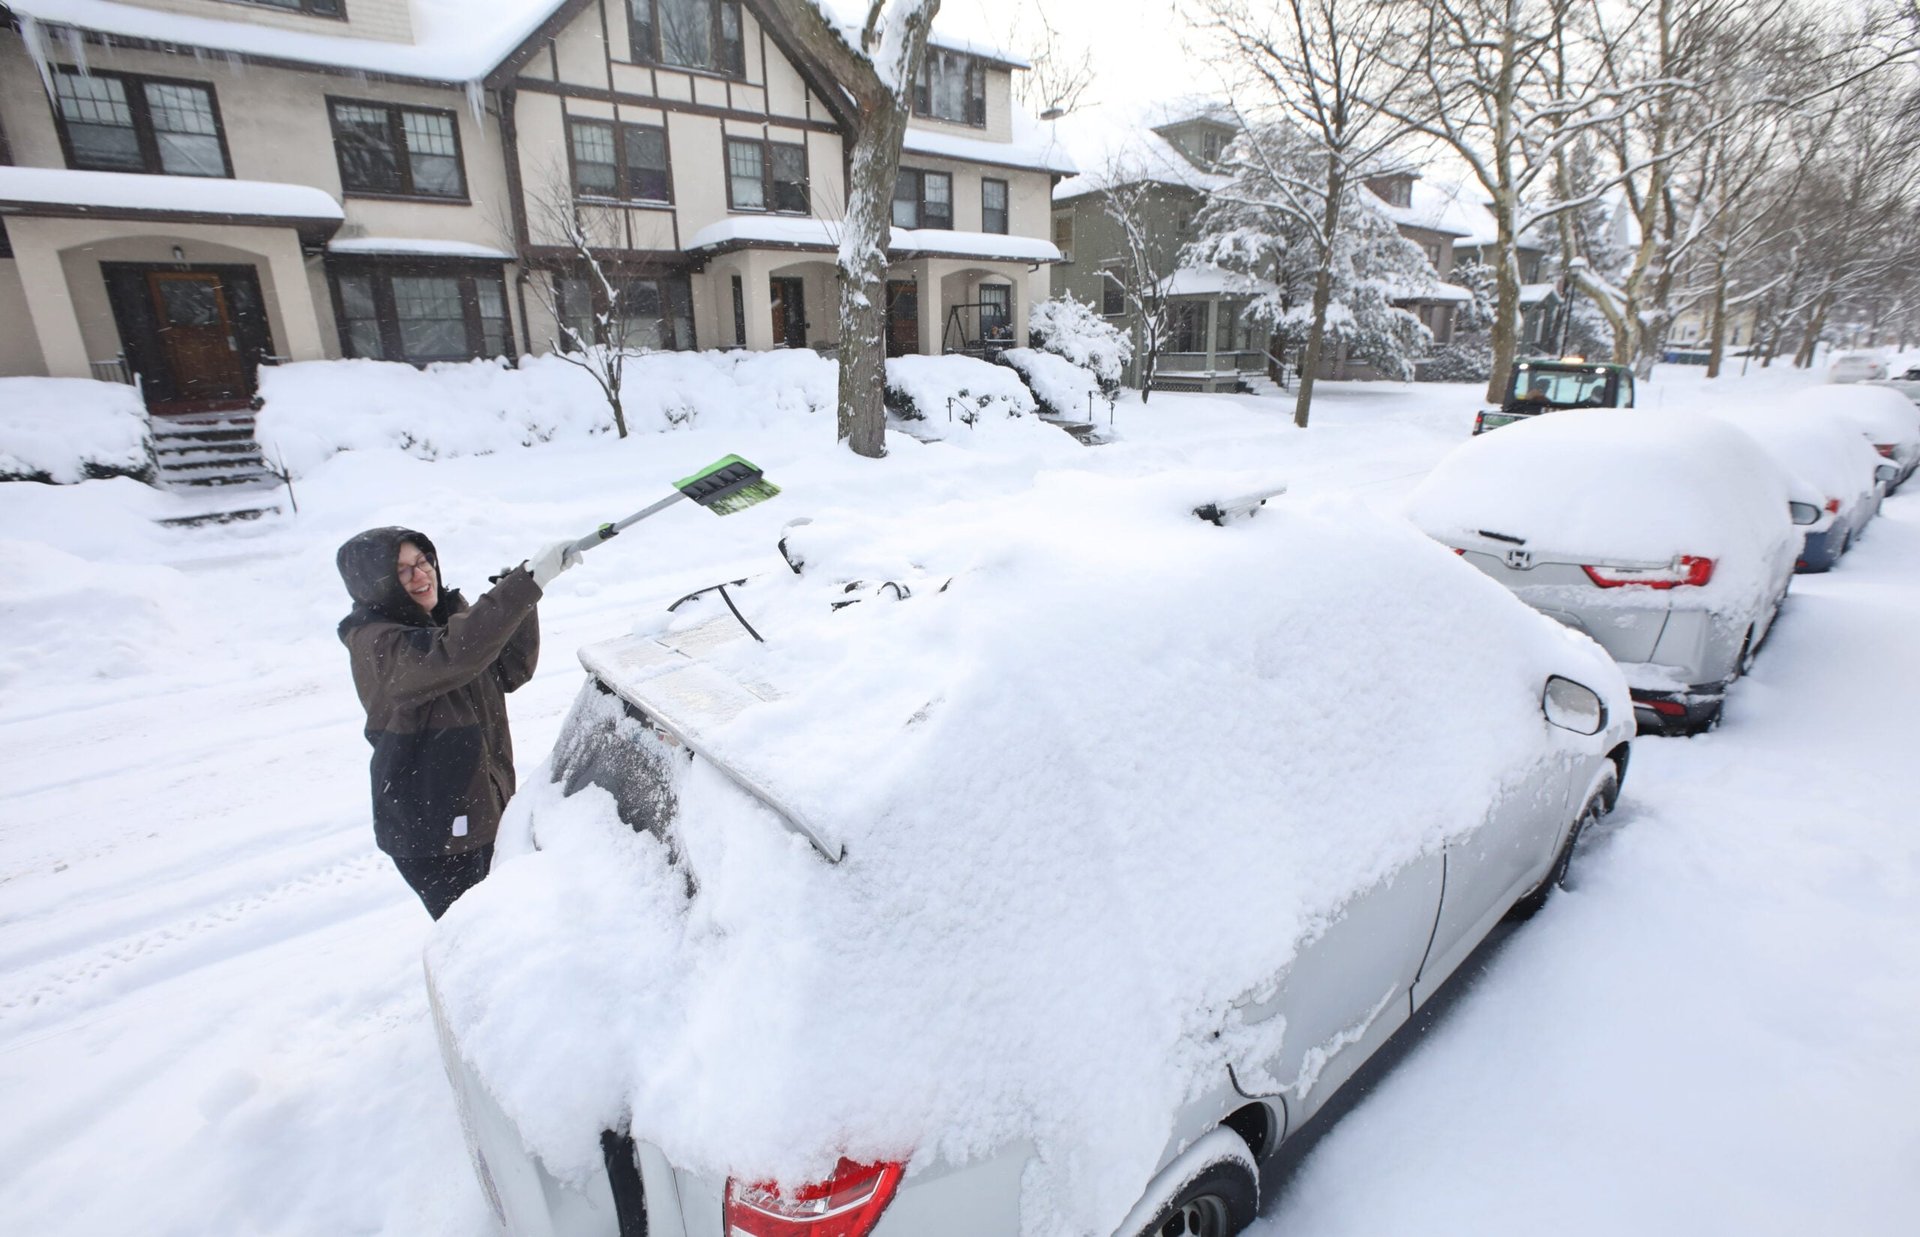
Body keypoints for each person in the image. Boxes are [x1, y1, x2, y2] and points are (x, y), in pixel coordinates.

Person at [335, 527, 578, 919]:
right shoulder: (377, 643)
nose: (421, 575)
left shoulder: (444, 618)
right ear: (375, 584)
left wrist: (520, 597)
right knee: (483, 939)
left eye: (423, 561)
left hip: (485, 808)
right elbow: (455, 655)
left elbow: (510, 669)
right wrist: (523, 585)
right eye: (402, 571)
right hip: (436, 835)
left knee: (512, 926)